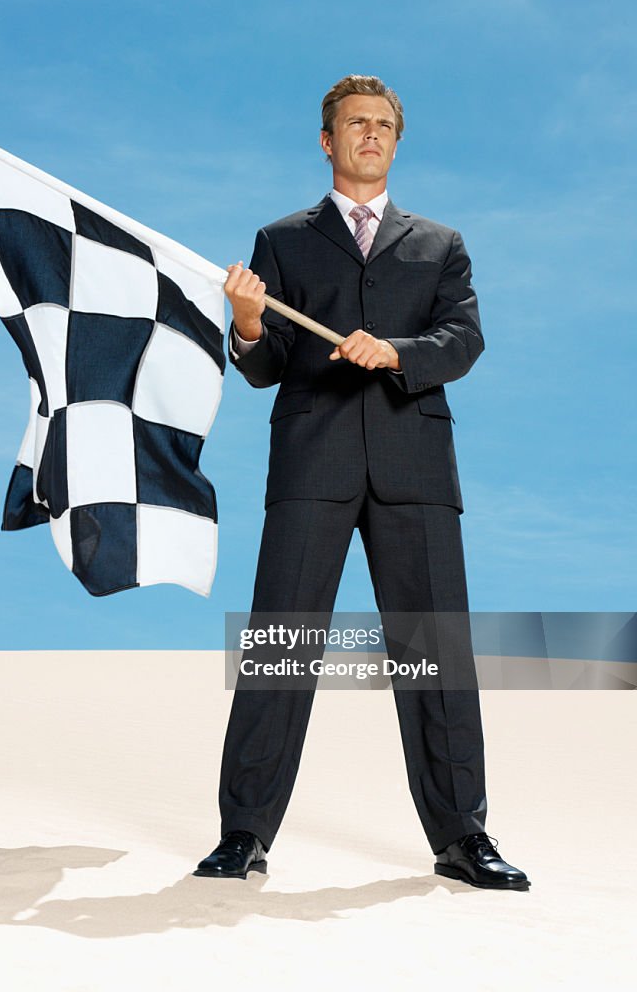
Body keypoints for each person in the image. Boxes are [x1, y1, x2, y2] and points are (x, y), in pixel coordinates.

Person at [193, 75, 529, 891]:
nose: (369, 136)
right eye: (354, 124)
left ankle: (462, 837)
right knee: (281, 647)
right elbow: (268, 364)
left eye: (382, 125)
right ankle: (243, 833)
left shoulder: (440, 244)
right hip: (313, 462)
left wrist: (400, 353)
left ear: (396, 140)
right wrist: (245, 323)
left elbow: (463, 339)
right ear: (327, 140)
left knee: (435, 653)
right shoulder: (283, 240)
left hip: (415, 467)